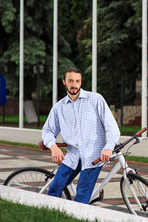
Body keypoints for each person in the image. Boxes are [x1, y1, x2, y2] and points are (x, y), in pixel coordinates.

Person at [42, 67, 120, 204]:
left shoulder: (96, 99)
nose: (74, 84)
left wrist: (108, 147)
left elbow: (112, 128)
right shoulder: (59, 107)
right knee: (54, 189)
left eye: (77, 81)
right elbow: (48, 130)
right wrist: (53, 147)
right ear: (64, 82)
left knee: (81, 197)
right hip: (72, 156)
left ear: (81, 82)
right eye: (71, 81)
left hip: (93, 157)